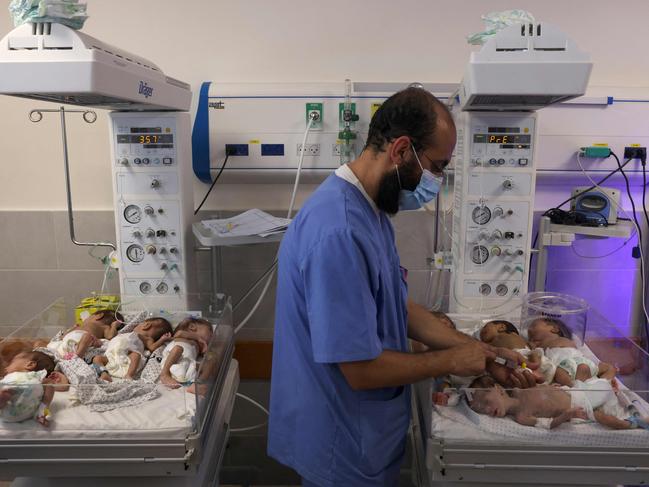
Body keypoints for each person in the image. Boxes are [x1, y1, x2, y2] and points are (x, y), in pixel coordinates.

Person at [268, 87, 533, 487]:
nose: (437, 182)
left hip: (366, 433)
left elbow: (395, 304)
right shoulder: (338, 231)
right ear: (402, 150)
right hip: (342, 443)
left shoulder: (369, 210)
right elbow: (358, 369)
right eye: (437, 167)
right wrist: (449, 362)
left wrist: (470, 348)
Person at [467, 375, 639, 430]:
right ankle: (634, 423)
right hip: (578, 406)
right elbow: (549, 423)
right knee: (603, 417)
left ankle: (614, 390)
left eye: (486, 401)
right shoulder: (521, 416)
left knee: (601, 385)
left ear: (499, 389)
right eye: (482, 409)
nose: (487, 410)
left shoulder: (519, 391)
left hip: (573, 391)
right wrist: (566, 415)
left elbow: (540, 388)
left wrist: (549, 386)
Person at [527, 317, 616, 386]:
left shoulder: (557, 340)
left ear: (554, 329)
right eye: (529, 337)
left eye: (534, 326)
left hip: (578, 362)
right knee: (562, 373)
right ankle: (576, 387)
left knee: (609, 368)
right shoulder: (541, 346)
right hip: (564, 367)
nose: (529, 330)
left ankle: (603, 384)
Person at [92, 317, 172, 381]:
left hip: (127, 357)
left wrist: (162, 339)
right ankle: (104, 374)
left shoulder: (147, 338)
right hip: (112, 356)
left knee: (136, 355)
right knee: (97, 358)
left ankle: (129, 375)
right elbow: (110, 338)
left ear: (146, 325)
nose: (136, 326)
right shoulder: (125, 333)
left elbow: (152, 347)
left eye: (140, 324)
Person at [0, 351, 57, 426]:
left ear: (30, 364)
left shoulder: (14, 375)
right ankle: (43, 409)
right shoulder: (38, 377)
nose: (7, 366)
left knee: (5, 389)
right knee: (50, 384)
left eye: (12, 362)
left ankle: (2, 398)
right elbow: (54, 386)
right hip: (27, 413)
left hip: (7, 413)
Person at [47, 309, 124, 361]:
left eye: (90, 316)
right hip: (64, 344)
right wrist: (72, 328)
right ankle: (49, 353)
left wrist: (114, 325)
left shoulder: (105, 327)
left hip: (81, 342)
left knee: (87, 337)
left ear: (99, 315)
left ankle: (76, 358)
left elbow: (110, 336)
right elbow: (62, 337)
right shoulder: (79, 326)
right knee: (41, 342)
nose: (85, 319)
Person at [160, 317, 213, 388]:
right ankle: (164, 374)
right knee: (178, 348)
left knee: (210, 363)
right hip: (172, 360)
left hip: (186, 366)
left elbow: (204, 357)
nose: (212, 336)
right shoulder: (184, 335)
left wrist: (205, 351)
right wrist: (198, 338)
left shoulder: (200, 346)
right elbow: (178, 333)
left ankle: (198, 384)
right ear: (192, 327)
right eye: (210, 332)